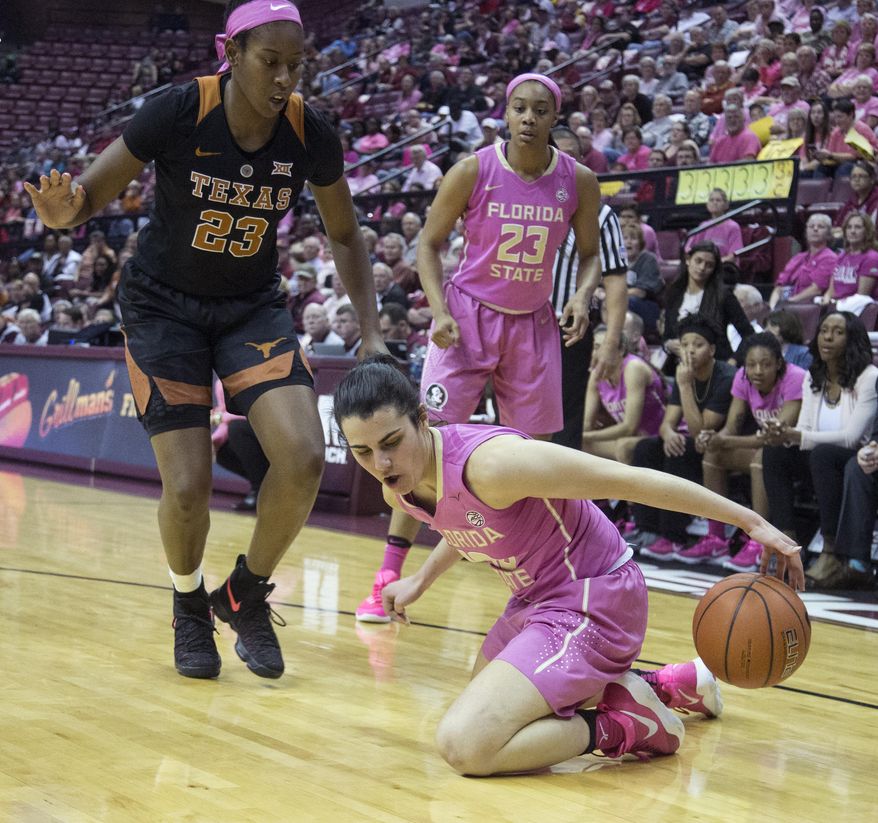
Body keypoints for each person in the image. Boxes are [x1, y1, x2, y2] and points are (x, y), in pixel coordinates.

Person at [24, 0, 385, 682]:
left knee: (304, 457)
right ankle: (189, 604)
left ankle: (245, 592)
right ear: (235, 53)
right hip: (163, 308)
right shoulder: (178, 109)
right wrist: (65, 210)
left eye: (294, 64)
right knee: (187, 486)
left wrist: (369, 329)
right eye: (269, 62)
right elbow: (89, 197)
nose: (283, 79)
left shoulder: (310, 132)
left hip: (251, 307)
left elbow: (343, 233)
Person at [333, 355, 802, 776]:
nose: (383, 461)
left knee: (466, 744)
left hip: (595, 597)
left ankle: (627, 725)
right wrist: (419, 579)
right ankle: (666, 685)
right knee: (500, 705)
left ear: (422, 418)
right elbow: (465, 522)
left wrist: (751, 521)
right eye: (363, 452)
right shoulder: (399, 485)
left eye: (392, 441)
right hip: (536, 601)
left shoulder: (493, 465)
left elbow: (629, 480)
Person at [354, 74, 615, 623]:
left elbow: (591, 256)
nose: (527, 118)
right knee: (416, 449)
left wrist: (582, 295)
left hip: (533, 327)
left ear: (553, 119)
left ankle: (540, 583)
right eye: (518, 107)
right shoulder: (473, 169)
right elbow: (428, 244)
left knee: (532, 464)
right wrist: (440, 310)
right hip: (467, 320)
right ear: (506, 112)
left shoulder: (580, 181)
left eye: (539, 110)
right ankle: (387, 575)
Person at [761, 312, 878, 587]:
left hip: (856, 455)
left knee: (823, 454)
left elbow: (852, 437)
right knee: (775, 452)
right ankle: (786, 545)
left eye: (837, 332)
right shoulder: (815, 374)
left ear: (853, 339)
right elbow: (804, 427)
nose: (827, 337)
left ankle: (830, 552)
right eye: (824, 330)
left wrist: (797, 435)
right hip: (820, 455)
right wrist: (783, 435)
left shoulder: (869, 376)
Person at [692, 332, 806, 570]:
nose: (757, 371)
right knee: (713, 454)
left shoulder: (796, 378)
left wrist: (726, 441)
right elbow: (731, 426)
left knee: (762, 457)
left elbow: (774, 436)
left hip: (794, 454)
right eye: (751, 364)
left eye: (765, 364)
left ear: (778, 363)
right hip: (762, 448)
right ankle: (716, 538)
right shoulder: (742, 378)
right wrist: (713, 439)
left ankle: (758, 542)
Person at [548, 127, 628, 452]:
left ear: (582, 162)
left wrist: (610, 343)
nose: (566, 163)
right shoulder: (524, 202)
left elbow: (616, 283)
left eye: (573, 156)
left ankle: (560, 500)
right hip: (521, 325)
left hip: (570, 330)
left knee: (566, 426)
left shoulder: (601, 214)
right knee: (516, 422)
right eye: (559, 155)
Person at [581, 325, 666, 463]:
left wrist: (586, 436)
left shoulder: (633, 368)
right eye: (596, 347)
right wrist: (574, 433)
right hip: (636, 438)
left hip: (662, 436)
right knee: (572, 443)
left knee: (623, 447)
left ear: (621, 350)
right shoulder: (596, 375)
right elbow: (587, 423)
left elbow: (629, 427)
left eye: (605, 347)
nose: (599, 353)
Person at [661, 242, 754, 366]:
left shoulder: (724, 296)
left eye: (709, 265)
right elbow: (667, 335)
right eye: (698, 261)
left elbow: (749, 336)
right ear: (688, 260)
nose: (702, 268)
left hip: (716, 365)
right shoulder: (674, 294)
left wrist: (733, 361)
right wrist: (668, 345)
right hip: (679, 365)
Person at [769, 213, 838, 307]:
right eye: (811, 226)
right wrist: (772, 306)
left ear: (829, 234)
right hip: (788, 304)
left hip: (810, 306)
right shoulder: (798, 257)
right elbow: (779, 286)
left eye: (821, 227)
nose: (815, 229)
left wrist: (789, 303)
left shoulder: (830, 258)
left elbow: (816, 289)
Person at [819, 212, 878, 305]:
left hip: (855, 309)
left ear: (867, 231)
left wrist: (837, 304)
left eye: (858, 227)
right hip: (836, 305)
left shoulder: (872, 257)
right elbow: (831, 290)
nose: (852, 231)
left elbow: (862, 296)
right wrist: (826, 300)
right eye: (849, 227)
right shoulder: (841, 256)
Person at [684, 188, 744, 263]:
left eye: (718, 200)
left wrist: (714, 263)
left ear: (726, 205)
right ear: (707, 204)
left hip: (725, 268)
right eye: (711, 200)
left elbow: (733, 256)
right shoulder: (703, 226)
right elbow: (688, 248)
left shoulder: (733, 226)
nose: (714, 203)